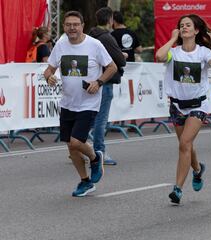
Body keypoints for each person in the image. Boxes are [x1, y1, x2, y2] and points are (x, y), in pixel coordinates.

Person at [43, 11, 118, 197]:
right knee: (71, 147)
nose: (72, 28)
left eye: (75, 24)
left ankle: (95, 157)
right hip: (68, 103)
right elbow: (49, 69)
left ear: (82, 25)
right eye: (68, 25)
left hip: (88, 103)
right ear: (64, 27)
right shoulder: (60, 45)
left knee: (77, 142)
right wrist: (49, 77)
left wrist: (98, 82)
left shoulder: (94, 45)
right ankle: (85, 182)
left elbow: (112, 67)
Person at [155, 14, 211, 204]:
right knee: (187, 145)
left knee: (184, 144)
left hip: (198, 105)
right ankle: (198, 169)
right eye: (181, 25)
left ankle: (177, 189)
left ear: (196, 30)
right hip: (177, 106)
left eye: (188, 25)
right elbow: (159, 56)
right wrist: (172, 38)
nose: (184, 27)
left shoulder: (203, 52)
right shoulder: (174, 52)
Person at [89, 7, 127, 166]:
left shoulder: (89, 36)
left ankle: (82, 149)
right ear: (111, 20)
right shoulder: (106, 38)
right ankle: (100, 152)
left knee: (88, 118)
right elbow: (120, 60)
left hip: (91, 81)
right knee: (100, 120)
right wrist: (122, 55)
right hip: (105, 82)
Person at [112, 11, 142, 131]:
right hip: (132, 68)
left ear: (113, 21)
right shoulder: (132, 33)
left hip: (118, 67)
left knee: (118, 93)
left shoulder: (112, 35)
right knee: (131, 93)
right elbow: (139, 49)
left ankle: (116, 121)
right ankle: (133, 121)